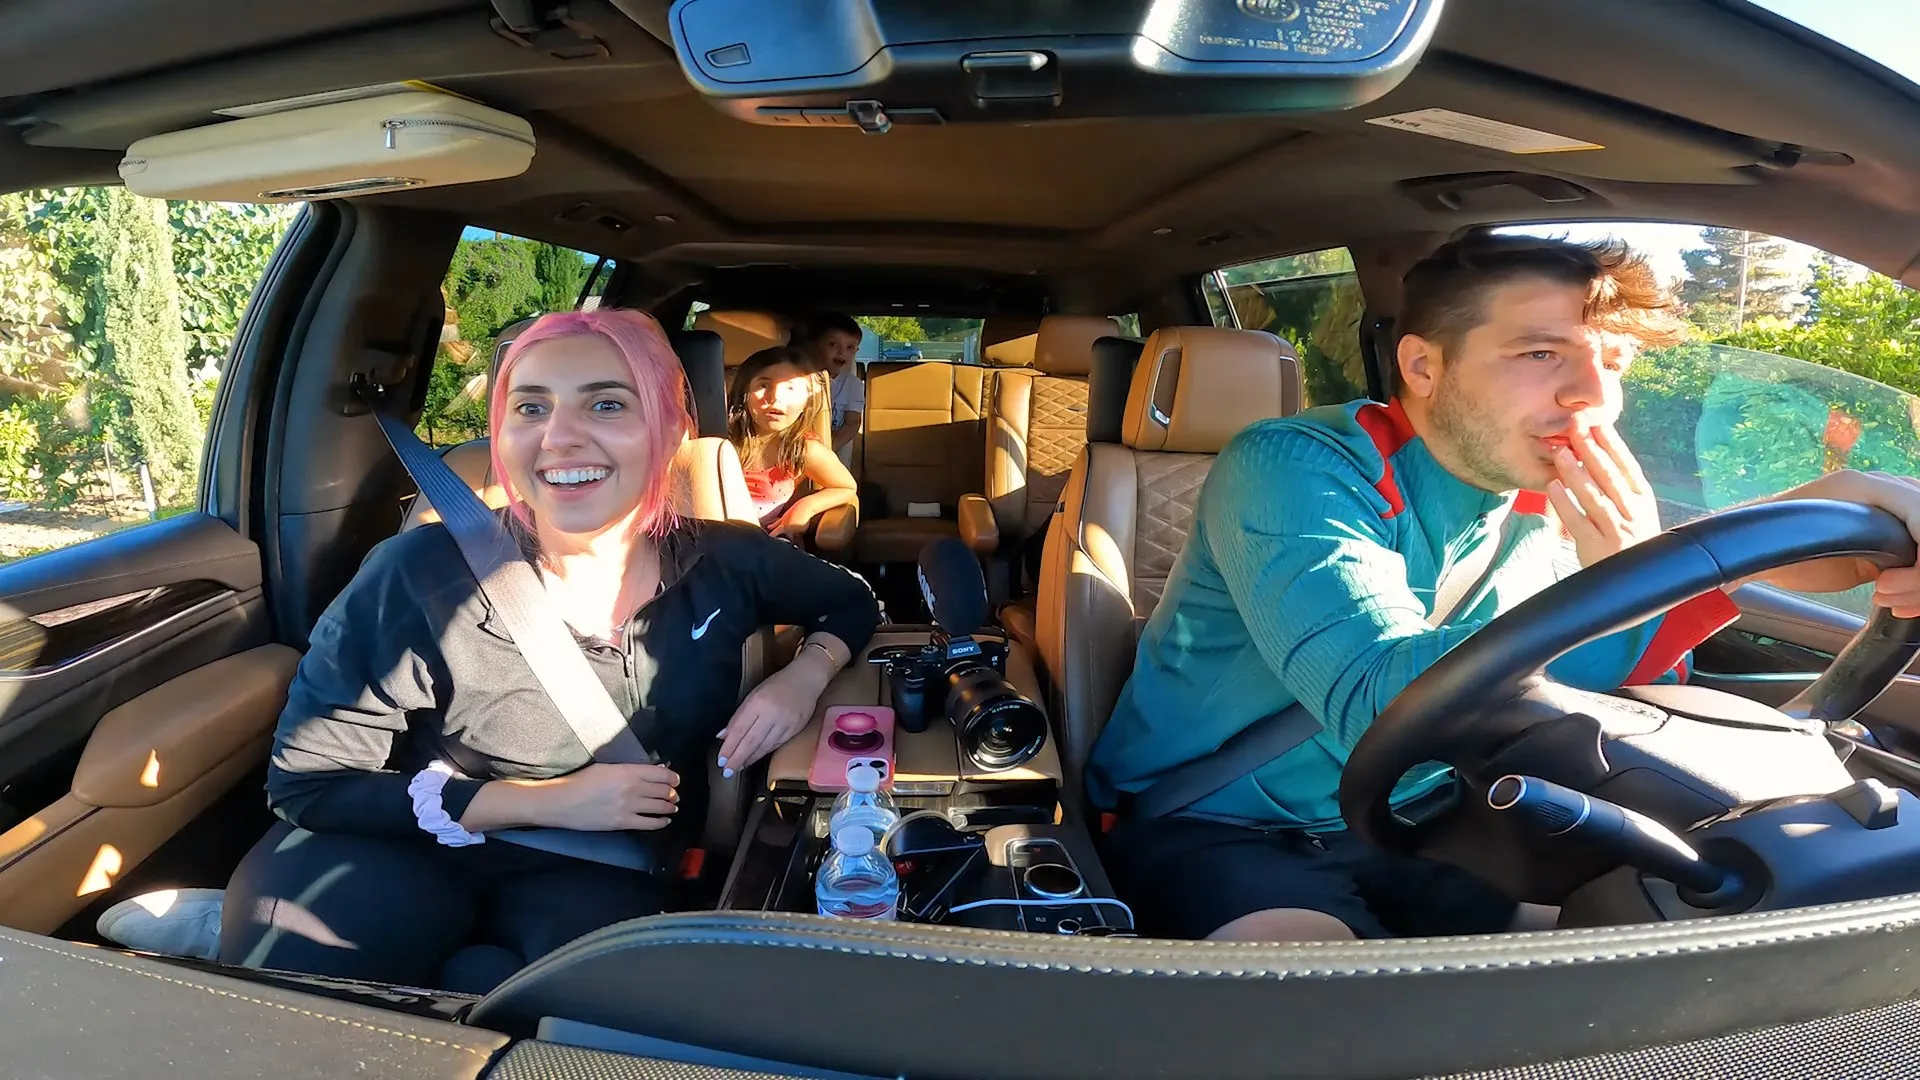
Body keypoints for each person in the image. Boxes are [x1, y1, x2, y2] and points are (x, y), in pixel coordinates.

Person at [1088, 234, 1920, 944]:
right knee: (1324, 1018)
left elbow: (1638, 678)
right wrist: (1624, 584)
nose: (1593, 395)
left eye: (1613, 362)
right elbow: (1379, 703)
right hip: (1221, 823)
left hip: (1427, 811)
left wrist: (1838, 517)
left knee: (1651, 942)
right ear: (1423, 365)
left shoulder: (1547, 496)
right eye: (1540, 353)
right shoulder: (1293, 465)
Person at [217, 309, 879, 991]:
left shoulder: (728, 558)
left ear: (671, 430)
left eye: (607, 404)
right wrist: (550, 801)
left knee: (598, 1026)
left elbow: (854, 600)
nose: (559, 436)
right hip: (401, 841)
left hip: (603, 867)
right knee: (300, 1008)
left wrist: (805, 674)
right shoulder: (416, 573)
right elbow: (308, 781)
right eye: (531, 407)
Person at [728, 344, 859, 538]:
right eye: (763, 385)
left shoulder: (804, 449)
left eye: (790, 388)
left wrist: (806, 507)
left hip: (765, 541)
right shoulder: (719, 441)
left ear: (807, 400)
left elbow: (846, 487)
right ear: (745, 393)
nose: (775, 398)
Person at [799, 312, 865, 463]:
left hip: (830, 454)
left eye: (850, 347)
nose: (842, 352)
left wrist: (827, 451)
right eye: (833, 344)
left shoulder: (853, 385)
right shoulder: (798, 379)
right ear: (815, 345)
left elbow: (852, 423)